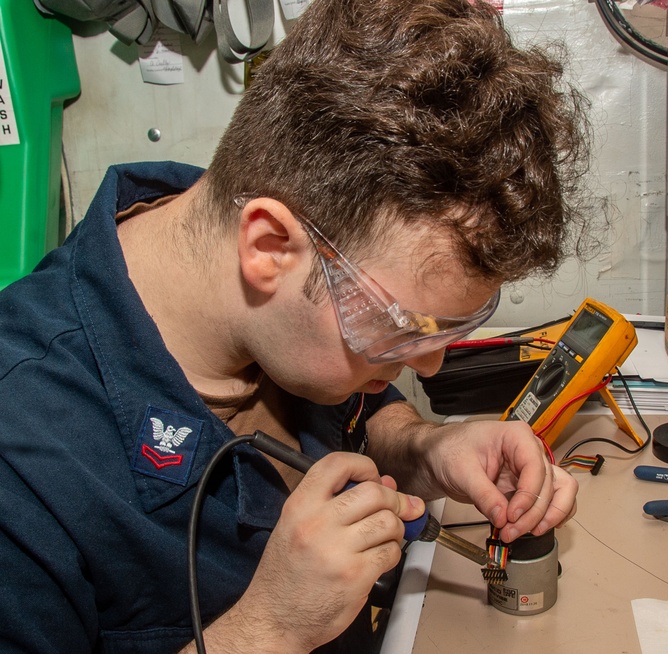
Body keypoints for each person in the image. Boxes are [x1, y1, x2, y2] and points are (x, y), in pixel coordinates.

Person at [0, 0, 597, 651]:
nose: (428, 366)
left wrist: (425, 450)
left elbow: (339, 419)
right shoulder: (21, 462)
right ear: (267, 248)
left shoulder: (264, 258)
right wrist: (268, 629)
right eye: (404, 328)